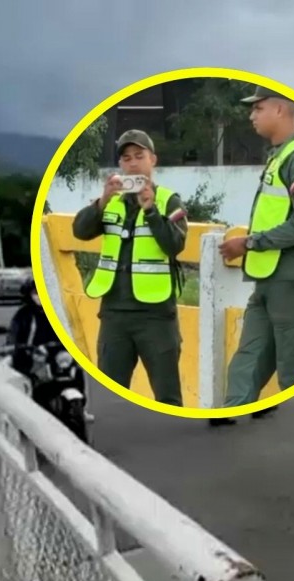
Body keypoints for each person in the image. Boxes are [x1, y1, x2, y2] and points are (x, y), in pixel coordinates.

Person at [209, 86, 294, 427]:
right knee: (250, 352)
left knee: (293, 364)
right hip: (271, 274)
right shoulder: (281, 155)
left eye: (258, 108)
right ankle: (232, 411)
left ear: (280, 109)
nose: (252, 115)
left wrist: (249, 243)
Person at [72, 129, 189, 406]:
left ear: (153, 160)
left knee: (167, 397)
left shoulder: (169, 200)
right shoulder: (111, 201)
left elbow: (175, 245)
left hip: (156, 316)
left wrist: (151, 211)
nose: (133, 163)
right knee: (110, 395)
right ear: (120, 165)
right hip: (114, 313)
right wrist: (102, 201)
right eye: (126, 158)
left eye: (139, 156)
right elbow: (80, 231)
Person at [6, 278, 60, 376]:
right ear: (29, 295)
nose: (40, 296)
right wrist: (13, 346)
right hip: (27, 357)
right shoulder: (23, 314)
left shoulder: (59, 313)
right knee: (7, 366)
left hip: (55, 355)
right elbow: (13, 335)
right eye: (36, 293)